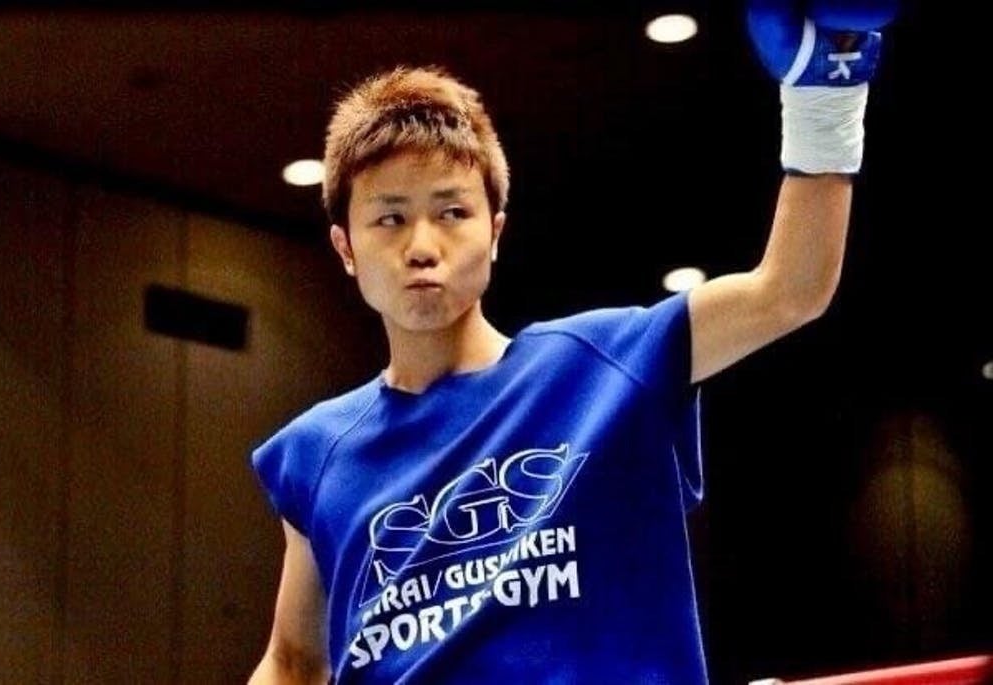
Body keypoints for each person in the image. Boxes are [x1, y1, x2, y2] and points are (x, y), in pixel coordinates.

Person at [248, 2, 897, 683]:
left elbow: (791, 289)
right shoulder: (316, 450)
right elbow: (293, 660)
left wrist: (825, 96)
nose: (422, 246)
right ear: (345, 248)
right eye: (389, 219)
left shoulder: (611, 363)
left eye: (452, 212)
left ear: (495, 232)